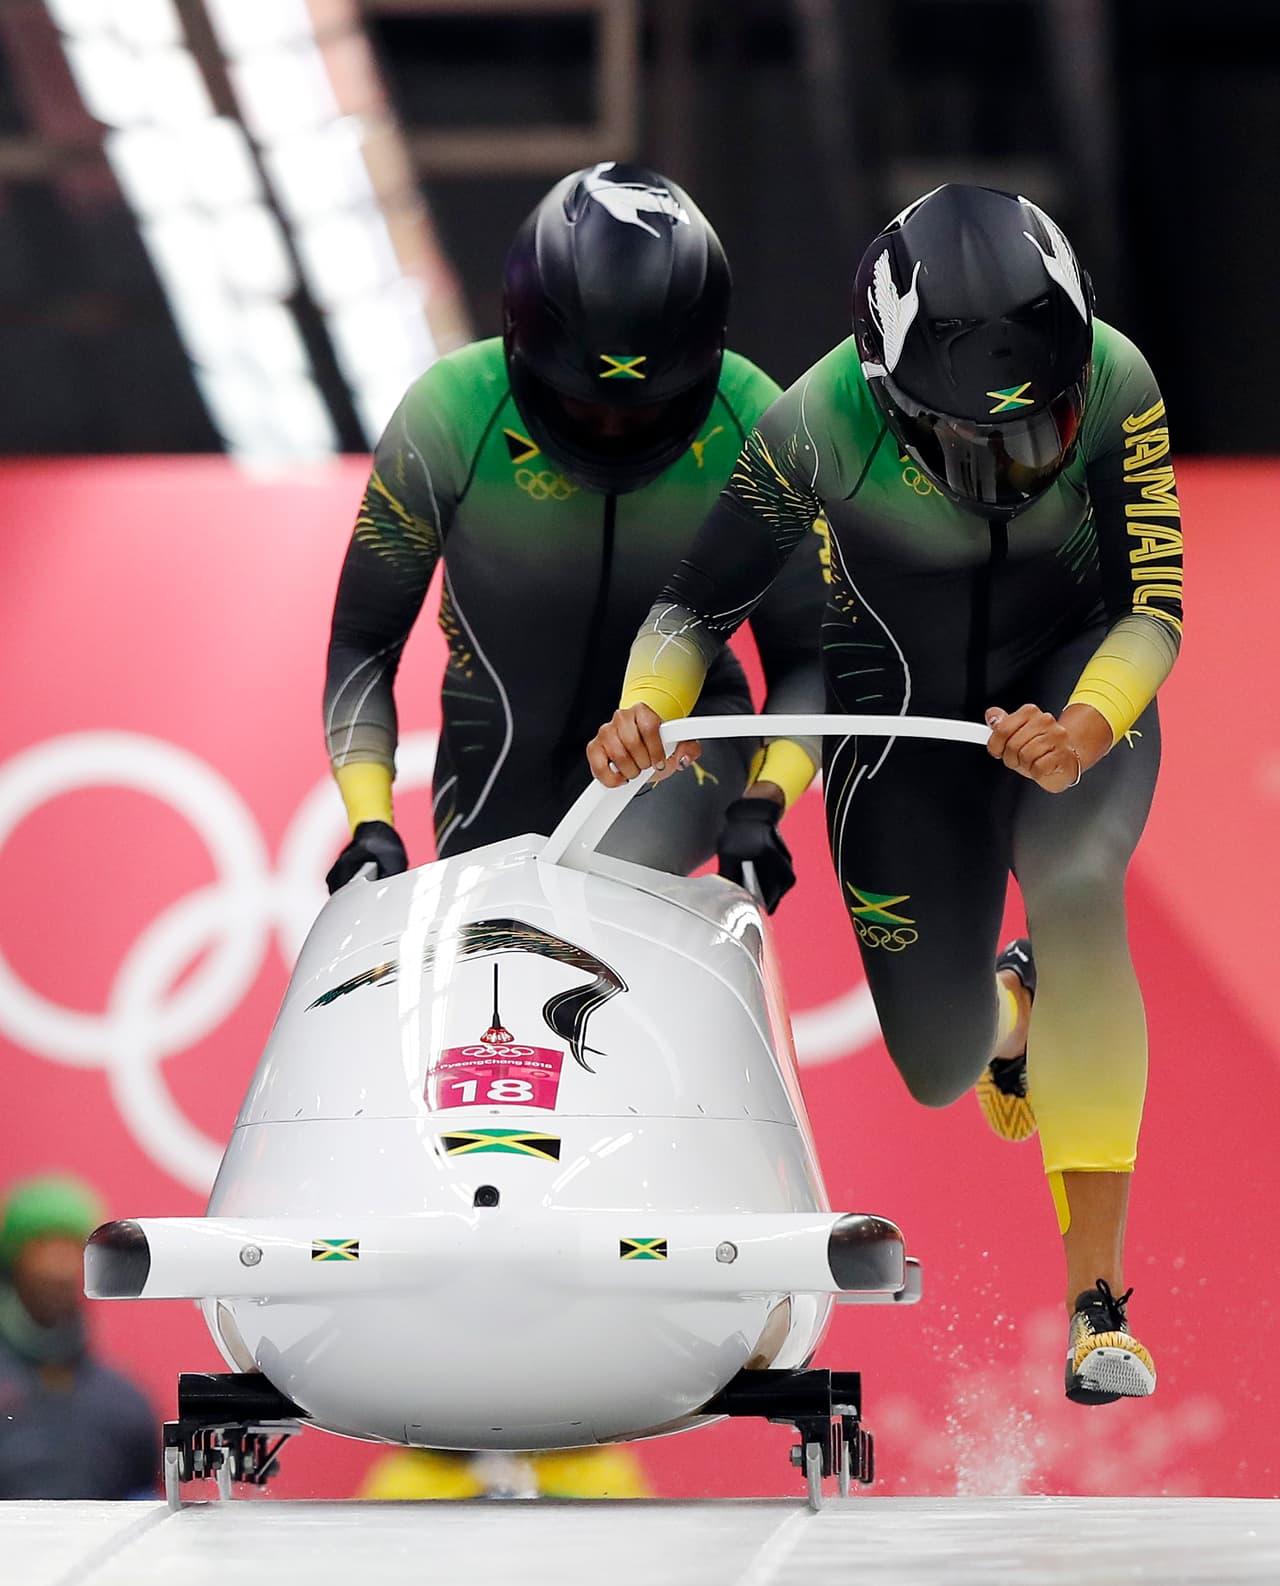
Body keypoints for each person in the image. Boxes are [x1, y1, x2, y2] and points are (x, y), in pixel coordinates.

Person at [587, 184, 1182, 1406]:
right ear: (894, 401)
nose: (1022, 464)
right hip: (894, 724)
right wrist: (641, 703)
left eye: (1047, 427)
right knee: (937, 1061)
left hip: (1071, 685)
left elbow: (1153, 602)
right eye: (983, 445)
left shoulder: (1119, 378)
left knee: (1075, 883)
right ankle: (1009, 1014)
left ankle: (1095, 1303)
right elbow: (692, 607)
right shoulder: (813, 423)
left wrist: (1081, 726)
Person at [323, 160, 826, 910]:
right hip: (493, 760)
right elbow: (365, 640)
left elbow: (810, 658)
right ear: (520, 346)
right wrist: (370, 820)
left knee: (595, 889)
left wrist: (764, 801)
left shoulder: (756, 420)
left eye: (647, 410)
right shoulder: (449, 413)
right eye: (582, 407)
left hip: (682, 744)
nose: (614, 430)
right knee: (500, 962)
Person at [0, 1174, 156, 1497]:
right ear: (13, 1261)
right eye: (42, 1246)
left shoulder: (125, 1403)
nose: (59, 1266)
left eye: (72, 1249)